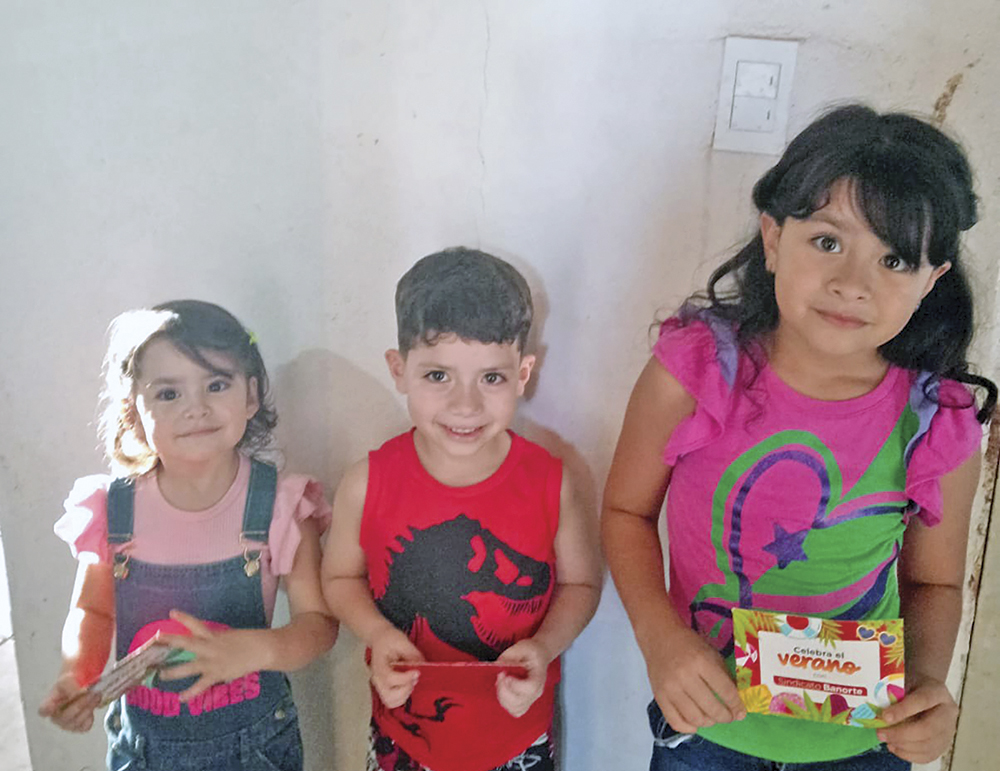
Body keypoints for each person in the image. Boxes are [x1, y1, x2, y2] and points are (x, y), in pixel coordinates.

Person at [601, 104, 997, 770]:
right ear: (773, 237)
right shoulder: (695, 373)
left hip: (863, 746)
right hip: (707, 735)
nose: (852, 284)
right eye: (828, 242)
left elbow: (934, 583)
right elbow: (624, 512)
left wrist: (927, 684)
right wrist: (659, 638)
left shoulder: (938, 420)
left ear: (932, 282)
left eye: (894, 258)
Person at [322, 247, 601, 771]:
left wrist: (544, 647)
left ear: (523, 374)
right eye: (438, 376)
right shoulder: (366, 483)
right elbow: (339, 578)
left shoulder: (550, 482)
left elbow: (581, 585)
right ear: (399, 370)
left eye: (491, 378)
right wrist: (378, 634)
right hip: (403, 738)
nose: (465, 405)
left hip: (519, 740)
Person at [38, 300, 338, 771]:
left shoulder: (280, 506)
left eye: (216, 385)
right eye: (168, 394)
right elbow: (92, 610)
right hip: (143, 750)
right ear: (133, 412)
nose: (196, 408)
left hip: (255, 750)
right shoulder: (113, 510)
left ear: (251, 395)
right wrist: (77, 674)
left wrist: (256, 649)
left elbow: (319, 625)